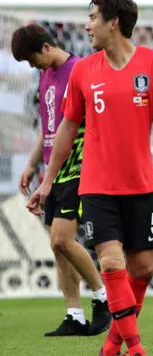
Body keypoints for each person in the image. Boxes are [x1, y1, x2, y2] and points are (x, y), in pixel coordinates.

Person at [26, 0, 153, 356]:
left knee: (144, 268)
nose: (86, 25)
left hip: (140, 183)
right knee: (111, 261)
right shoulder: (83, 70)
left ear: (114, 23)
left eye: (93, 17)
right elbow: (66, 127)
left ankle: (111, 348)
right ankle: (137, 351)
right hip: (96, 184)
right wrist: (46, 181)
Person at [11, 24, 111, 337]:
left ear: (44, 47)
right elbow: (49, 125)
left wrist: (50, 177)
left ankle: (103, 297)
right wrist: (31, 164)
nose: (32, 67)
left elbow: (79, 123)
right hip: (52, 171)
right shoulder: (46, 76)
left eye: (31, 59)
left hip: (78, 166)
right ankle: (74, 315)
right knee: (59, 247)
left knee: (60, 240)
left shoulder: (79, 69)